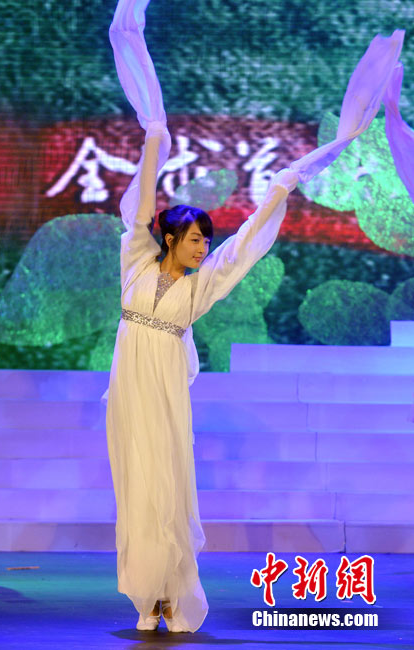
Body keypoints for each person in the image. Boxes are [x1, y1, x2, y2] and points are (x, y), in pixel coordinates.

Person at [105, 0, 404, 636]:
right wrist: (155, 135)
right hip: (127, 381)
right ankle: (144, 596)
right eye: (193, 240)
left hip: (164, 386)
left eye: (204, 242)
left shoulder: (203, 285)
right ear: (168, 238)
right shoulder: (135, 255)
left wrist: (280, 190)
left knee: (167, 484)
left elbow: (244, 246)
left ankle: (170, 596)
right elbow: (145, 192)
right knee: (134, 483)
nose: (202, 249)